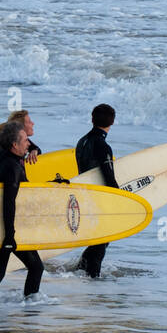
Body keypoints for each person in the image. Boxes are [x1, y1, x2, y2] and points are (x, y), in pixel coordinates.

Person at [0, 122, 45, 299]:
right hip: (9, 229)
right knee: (36, 267)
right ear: (15, 145)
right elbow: (8, 201)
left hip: (2, 226)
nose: (28, 143)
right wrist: (9, 236)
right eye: (25, 140)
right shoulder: (12, 168)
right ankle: (31, 309)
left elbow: (23, 193)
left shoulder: (10, 161)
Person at [74, 103, 119, 277]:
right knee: (102, 240)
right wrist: (121, 198)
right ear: (112, 122)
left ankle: (80, 270)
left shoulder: (82, 141)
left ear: (92, 119)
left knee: (99, 240)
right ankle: (93, 278)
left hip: (86, 195)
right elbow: (108, 176)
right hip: (99, 198)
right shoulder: (102, 145)